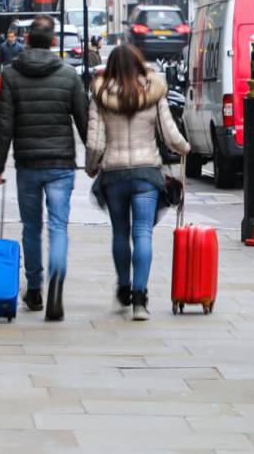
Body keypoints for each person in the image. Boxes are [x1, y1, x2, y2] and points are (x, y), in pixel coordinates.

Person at [0, 15, 88, 322]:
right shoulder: (69, 76)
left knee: (31, 228)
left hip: (27, 164)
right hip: (61, 165)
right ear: (53, 41)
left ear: (26, 40)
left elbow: (3, 126)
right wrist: (95, 158)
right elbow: (84, 121)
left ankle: (35, 288)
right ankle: (57, 275)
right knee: (58, 227)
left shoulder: (12, 75)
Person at [86, 45, 189, 320]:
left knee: (120, 233)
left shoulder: (101, 94)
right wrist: (185, 147)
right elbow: (170, 133)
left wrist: (91, 166)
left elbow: (95, 142)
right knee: (143, 233)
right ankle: (140, 301)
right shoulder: (154, 91)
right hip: (146, 173)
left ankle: (123, 288)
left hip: (114, 174)